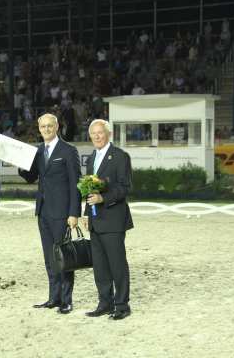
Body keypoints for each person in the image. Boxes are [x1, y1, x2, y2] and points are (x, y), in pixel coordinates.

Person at [19, 113, 81, 314]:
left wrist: (74, 213)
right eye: (43, 127)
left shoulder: (68, 151)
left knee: (64, 257)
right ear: (39, 129)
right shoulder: (38, 152)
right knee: (49, 258)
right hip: (43, 212)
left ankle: (66, 300)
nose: (46, 129)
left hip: (62, 213)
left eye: (49, 126)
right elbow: (31, 177)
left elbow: (75, 184)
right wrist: (20, 164)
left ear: (57, 127)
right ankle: (53, 298)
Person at [83, 119, 133, 320]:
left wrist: (103, 198)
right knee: (100, 266)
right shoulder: (91, 158)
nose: (96, 136)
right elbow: (87, 190)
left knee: (117, 264)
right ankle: (105, 302)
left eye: (100, 133)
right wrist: (87, 213)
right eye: (93, 133)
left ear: (108, 134)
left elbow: (124, 187)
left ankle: (122, 305)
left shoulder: (120, 157)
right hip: (95, 221)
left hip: (113, 219)